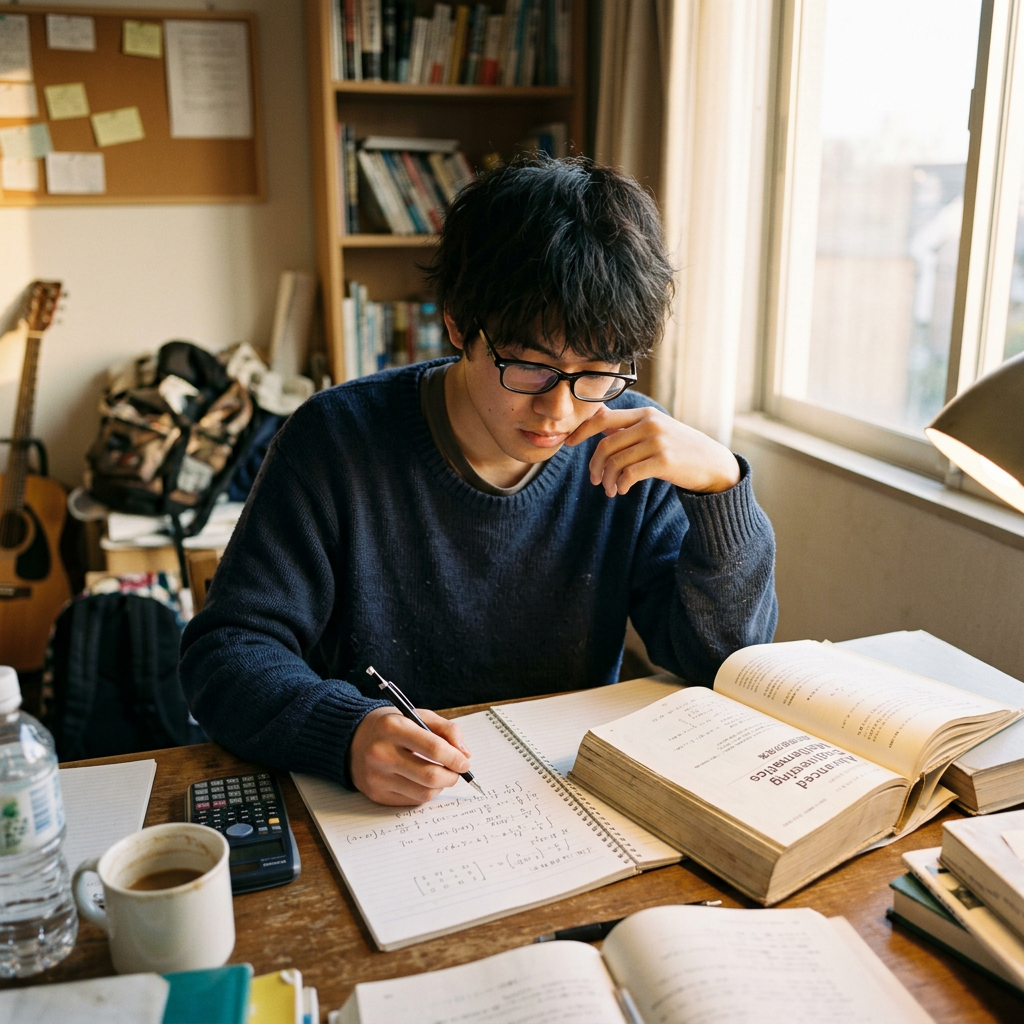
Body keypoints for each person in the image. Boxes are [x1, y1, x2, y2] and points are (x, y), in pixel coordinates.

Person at [179, 156, 777, 807]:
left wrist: (722, 491)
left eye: (598, 369)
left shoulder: (629, 445)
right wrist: (343, 732)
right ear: (459, 325)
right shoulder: (335, 440)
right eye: (531, 366)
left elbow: (721, 661)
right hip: (378, 807)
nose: (559, 410)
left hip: (563, 797)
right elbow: (226, 653)